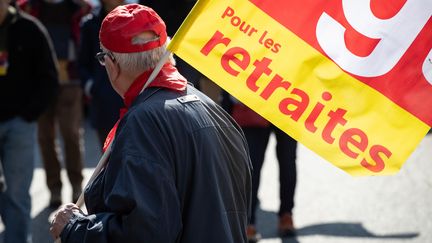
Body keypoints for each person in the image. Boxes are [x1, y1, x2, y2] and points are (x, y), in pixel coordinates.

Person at [50, 4, 252, 243]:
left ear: (112, 65)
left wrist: (75, 228)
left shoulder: (144, 123)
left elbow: (144, 233)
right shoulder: (210, 107)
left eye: (103, 59)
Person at [0, 0, 59, 242]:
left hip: (19, 124)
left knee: (17, 193)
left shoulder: (30, 28)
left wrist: (29, 115)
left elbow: (49, 76)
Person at [28, 0, 91, 208]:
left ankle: (76, 185)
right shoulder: (32, 8)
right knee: (45, 137)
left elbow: (90, 10)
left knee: (70, 134)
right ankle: (54, 188)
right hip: (39, 81)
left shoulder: (75, 7)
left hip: (69, 79)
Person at [222, 94, 297, 242]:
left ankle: (286, 215)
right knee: (250, 166)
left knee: (288, 162)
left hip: (289, 104)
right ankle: (248, 221)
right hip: (252, 102)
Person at [78, 0, 124, 148]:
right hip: (103, 101)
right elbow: (83, 62)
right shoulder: (90, 23)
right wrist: (92, 87)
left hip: (133, 99)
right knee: (108, 159)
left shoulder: (136, 19)